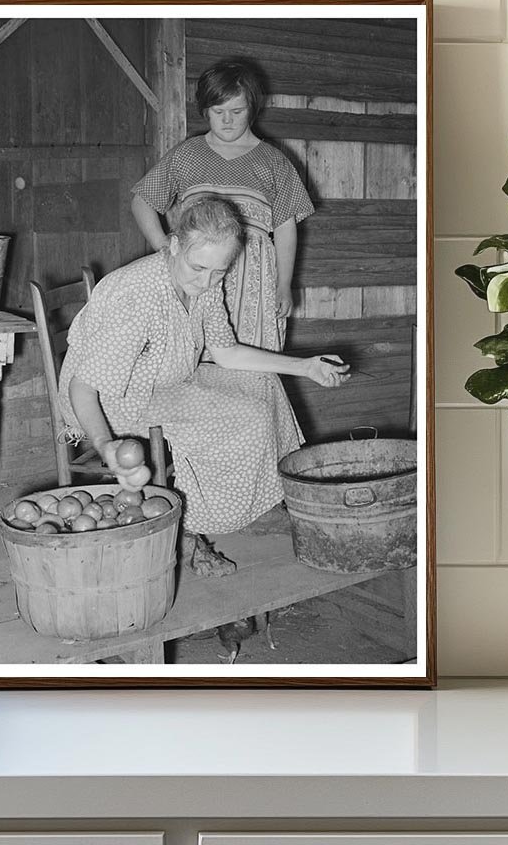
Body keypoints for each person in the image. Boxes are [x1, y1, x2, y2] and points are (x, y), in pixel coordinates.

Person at [58, 197, 349, 577]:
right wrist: (104, 444)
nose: (207, 281)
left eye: (219, 270)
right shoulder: (137, 295)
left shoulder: (206, 282)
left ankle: (260, 501)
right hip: (112, 398)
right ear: (174, 245)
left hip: (164, 377)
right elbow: (84, 389)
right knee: (226, 424)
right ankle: (187, 531)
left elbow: (225, 352)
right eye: (198, 268)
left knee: (264, 387)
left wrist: (305, 367)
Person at [131, 59, 314, 353]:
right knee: (190, 356)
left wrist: (284, 284)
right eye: (218, 112)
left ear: (252, 109)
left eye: (236, 111)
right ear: (205, 111)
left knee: (251, 360)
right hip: (195, 277)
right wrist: (164, 248)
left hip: (253, 284)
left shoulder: (274, 161)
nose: (227, 120)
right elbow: (142, 202)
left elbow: (285, 229)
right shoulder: (188, 154)